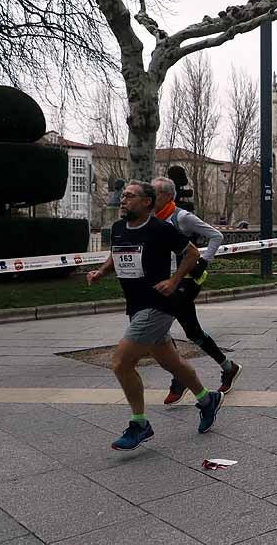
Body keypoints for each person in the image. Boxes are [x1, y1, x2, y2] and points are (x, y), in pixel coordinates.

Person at [87, 181, 222, 451]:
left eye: (130, 196)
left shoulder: (161, 229)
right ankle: (208, 399)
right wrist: (101, 271)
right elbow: (117, 255)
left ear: (147, 202)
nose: (123, 200)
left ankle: (139, 424)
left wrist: (174, 281)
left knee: (121, 362)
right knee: (171, 362)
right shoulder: (118, 229)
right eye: (123, 196)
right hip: (136, 305)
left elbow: (192, 254)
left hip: (159, 304)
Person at [151, 178, 243, 405]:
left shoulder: (181, 217)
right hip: (165, 281)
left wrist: (204, 260)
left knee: (159, 327)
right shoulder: (152, 219)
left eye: (153, 194)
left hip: (186, 281)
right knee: (192, 332)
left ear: (166, 196)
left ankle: (179, 378)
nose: (150, 198)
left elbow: (216, 235)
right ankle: (227, 367)